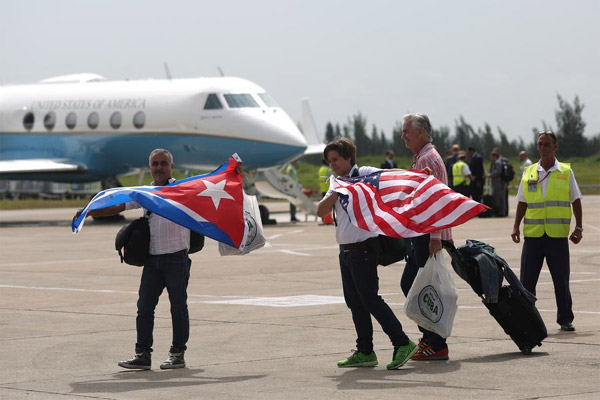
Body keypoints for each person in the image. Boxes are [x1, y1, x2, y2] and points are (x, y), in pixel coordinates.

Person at [74, 149, 192, 370]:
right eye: (155, 164)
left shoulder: (182, 190)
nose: (159, 167)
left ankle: (177, 354)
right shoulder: (144, 193)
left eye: (163, 163)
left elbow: (212, 195)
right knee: (144, 308)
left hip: (176, 259)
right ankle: (143, 355)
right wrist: (89, 212)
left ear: (171, 167)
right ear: (150, 168)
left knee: (178, 309)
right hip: (153, 261)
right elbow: (118, 206)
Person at [317, 138, 417, 370]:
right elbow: (321, 210)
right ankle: (365, 351)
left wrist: (418, 174)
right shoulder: (336, 182)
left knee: (370, 298)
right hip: (346, 251)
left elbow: (393, 177)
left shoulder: (364, 173)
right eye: (329, 161)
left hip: (363, 248)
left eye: (336, 160)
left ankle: (402, 342)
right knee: (355, 303)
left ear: (348, 157)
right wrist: (338, 189)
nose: (332, 164)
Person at [511, 131, 583, 332]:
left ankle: (565, 319)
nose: (542, 148)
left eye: (547, 144)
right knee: (526, 282)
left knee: (561, 279)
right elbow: (522, 201)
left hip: (556, 235)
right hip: (533, 236)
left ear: (555, 147)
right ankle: (527, 319)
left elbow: (575, 200)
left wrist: (578, 227)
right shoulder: (529, 172)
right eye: (540, 144)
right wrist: (516, 226)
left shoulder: (565, 172)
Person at [399, 113, 452, 360]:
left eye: (407, 131)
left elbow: (438, 202)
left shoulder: (429, 159)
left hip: (428, 236)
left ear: (421, 132)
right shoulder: (421, 157)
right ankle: (430, 337)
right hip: (421, 234)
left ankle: (436, 342)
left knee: (419, 286)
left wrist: (435, 237)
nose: (403, 136)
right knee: (414, 285)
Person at [487, 151, 507, 217]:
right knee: (499, 198)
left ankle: (501, 212)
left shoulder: (497, 162)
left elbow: (498, 171)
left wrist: (490, 175)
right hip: (498, 183)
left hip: (499, 184)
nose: (490, 158)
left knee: (500, 199)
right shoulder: (495, 162)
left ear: (495, 157)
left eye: (491, 157)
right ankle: (500, 212)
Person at [492, 147, 510, 216]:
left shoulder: (502, 161)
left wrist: (490, 175)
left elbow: (500, 172)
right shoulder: (495, 161)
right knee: (501, 198)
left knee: (502, 198)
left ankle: (503, 212)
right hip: (499, 182)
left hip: (502, 182)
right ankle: (502, 212)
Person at [318, 160, 334, 225]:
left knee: (323, 205)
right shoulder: (328, 169)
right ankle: (328, 219)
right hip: (328, 189)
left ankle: (324, 219)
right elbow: (332, 179)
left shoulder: (320, 169)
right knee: (329, 206)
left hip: (322, 189)